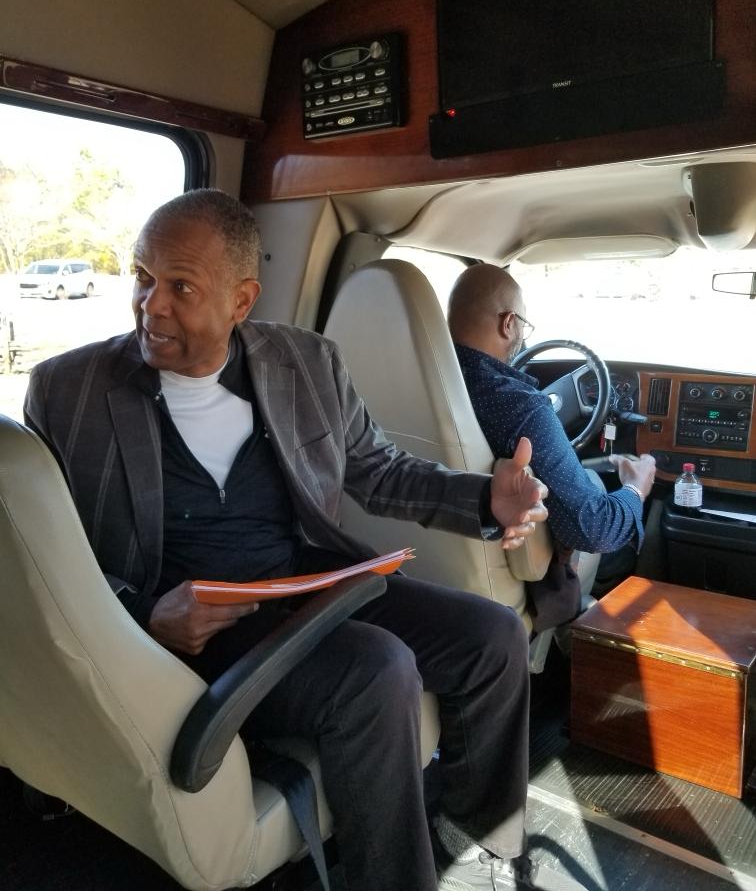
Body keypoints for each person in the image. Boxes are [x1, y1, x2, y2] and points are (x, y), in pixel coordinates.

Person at [24, 190, 587, 891]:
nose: (150, 305)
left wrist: (482, 497)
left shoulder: (307, 364)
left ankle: (482, 848)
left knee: (495, 633)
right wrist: (146, 614)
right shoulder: (67, 392)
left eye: (180, 287)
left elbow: (378, 472)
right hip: (190, 632)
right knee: (377, 670)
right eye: (141, 276)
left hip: (306, 584)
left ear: (241, 301)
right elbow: (52, 558)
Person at [448, 264, 656, 626]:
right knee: (606, 507)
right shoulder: (517, 404)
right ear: (508, 323)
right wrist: (636, 488)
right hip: (508, 588)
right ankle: (575, 627)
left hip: (437, 567)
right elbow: (594, 528)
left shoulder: (419, 382)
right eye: (523, 326)